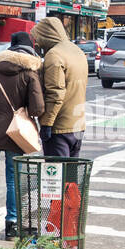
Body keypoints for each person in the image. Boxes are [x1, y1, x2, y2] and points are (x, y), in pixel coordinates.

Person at [0, 31, 45, 239]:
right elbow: (37, 108)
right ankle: (11, 224)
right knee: (13, 180)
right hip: (15, 132)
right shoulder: (30, 73)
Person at [31, 16, 88, 157]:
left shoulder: (54, 55)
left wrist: (46, 124)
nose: (37, 42)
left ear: (46, 35)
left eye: (38, 37)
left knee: (55, 176)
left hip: (59, 127)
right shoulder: (77, 51)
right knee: (71, 176)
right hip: (77, 125)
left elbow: (55, 93)